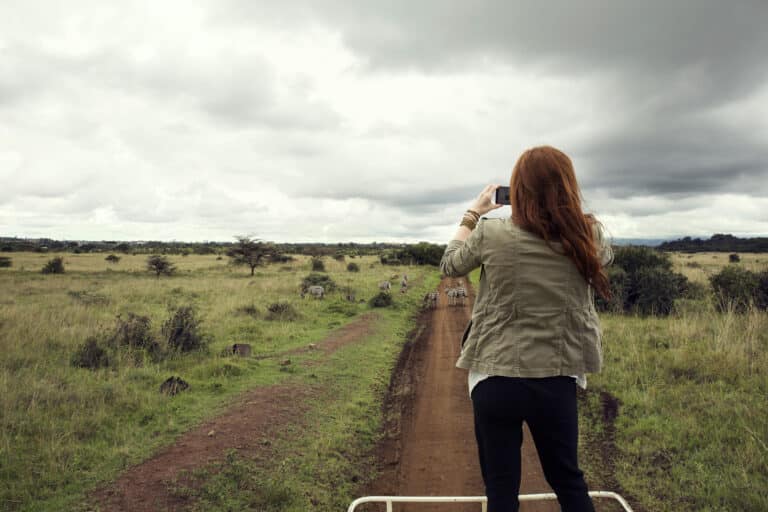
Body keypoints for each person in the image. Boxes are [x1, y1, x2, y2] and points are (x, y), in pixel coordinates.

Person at [440, 146, 613, 512]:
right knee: (568, 480)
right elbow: (601, 257)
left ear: (517, 190)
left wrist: (473, 213)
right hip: (557, 377)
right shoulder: (589, 234)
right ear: (567, 186)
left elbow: (451, 265)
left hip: (495, 375)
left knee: (501, 489)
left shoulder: (491, 233)